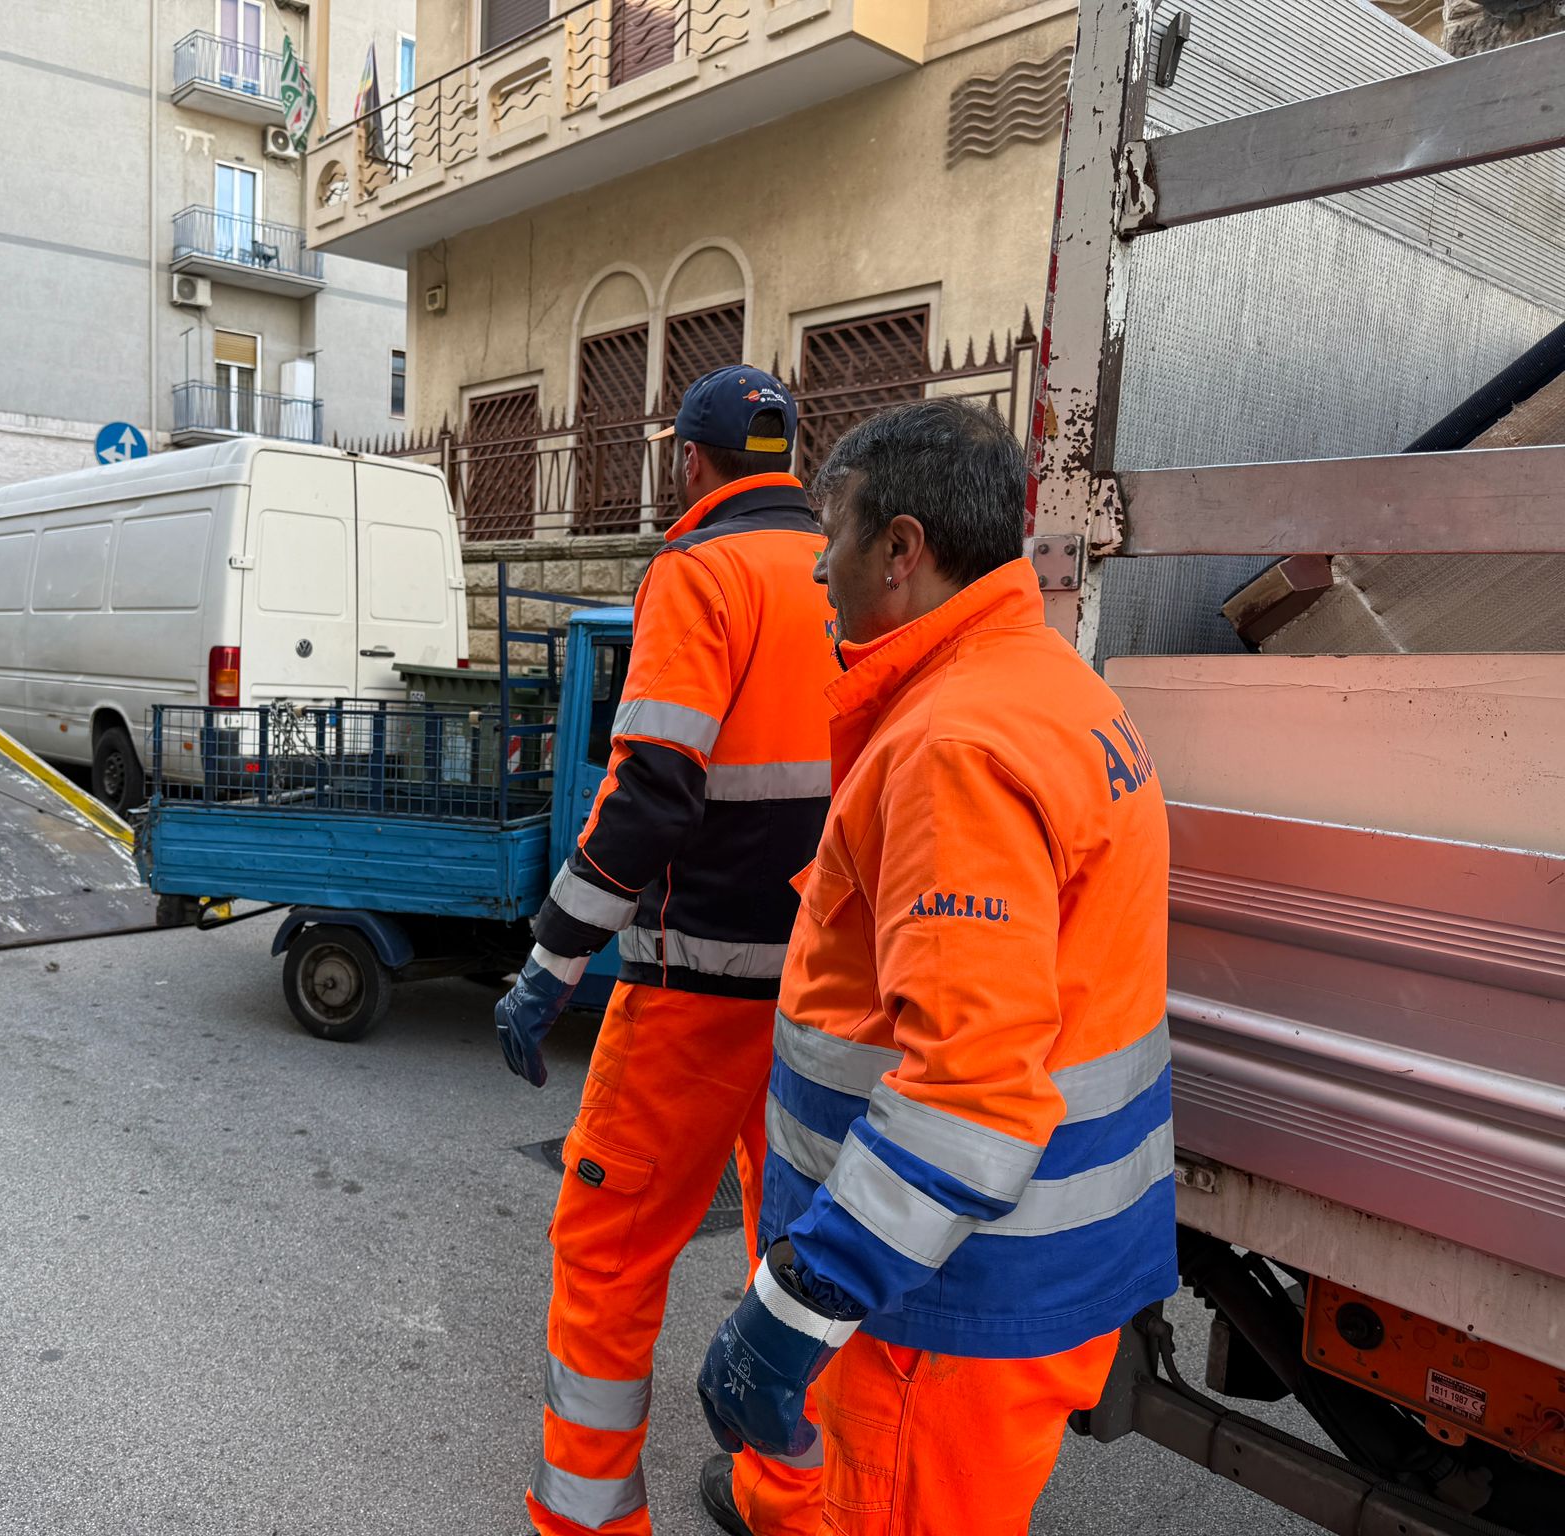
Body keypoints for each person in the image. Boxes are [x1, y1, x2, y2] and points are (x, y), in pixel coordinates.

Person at [695, 398, 1177, 1535]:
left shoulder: (952, 747)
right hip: (1017, 1271)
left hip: (939, 1300)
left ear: (901, 550)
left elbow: (967, 1094)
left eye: (833, 534)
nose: (817, 568)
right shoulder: (1053, 687)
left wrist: (797, 1307)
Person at [494, 365, 840, 1536]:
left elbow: (648, 795)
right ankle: (784, 1501)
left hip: (695, 989)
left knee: (607, 1252)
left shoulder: (699, 575)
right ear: (789, 460)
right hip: (822, 994)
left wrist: (550, 961)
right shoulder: (850, 576)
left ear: (690, 464)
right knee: (793, 1254)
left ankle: (589, 1520)